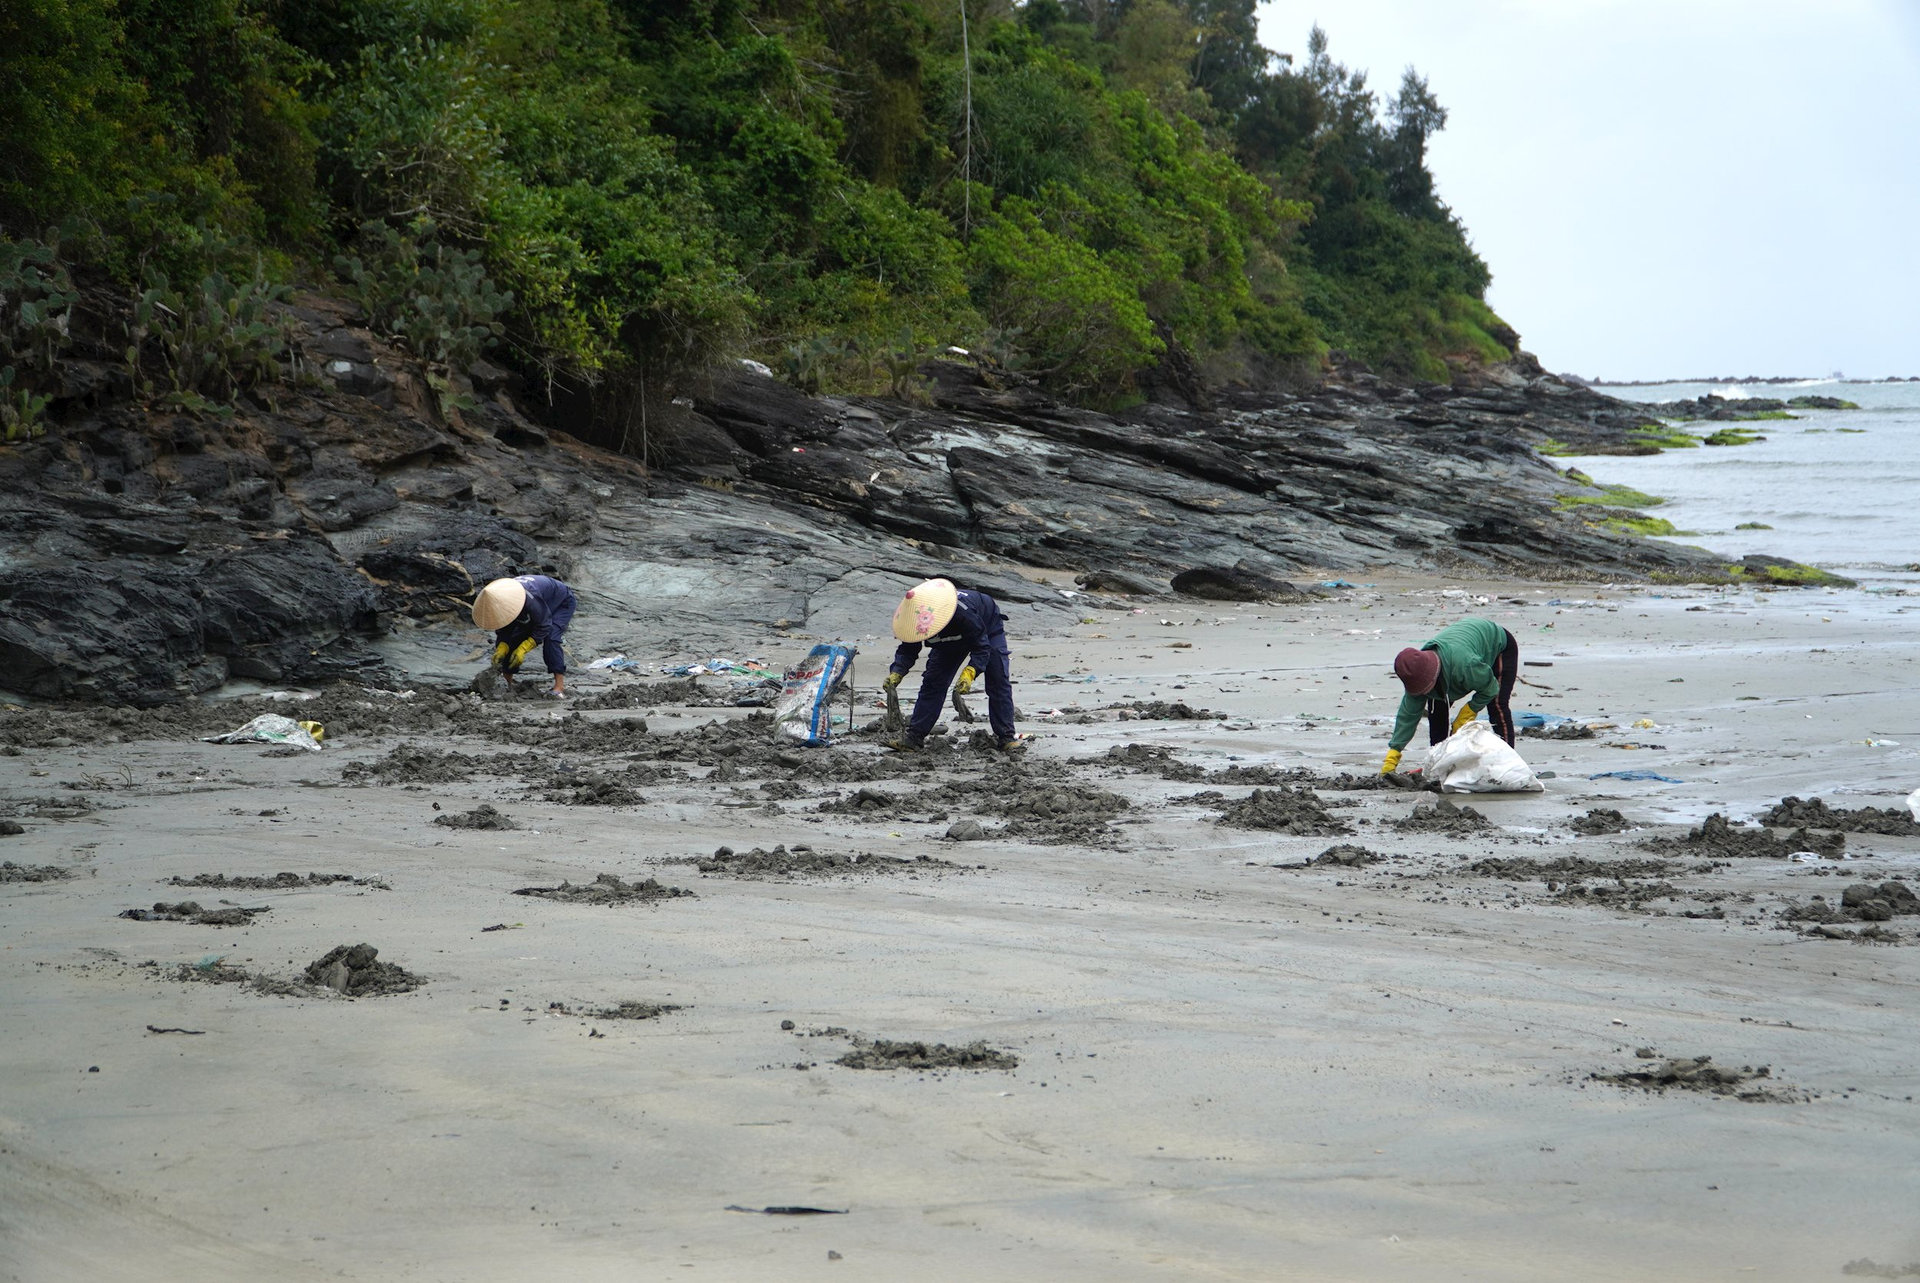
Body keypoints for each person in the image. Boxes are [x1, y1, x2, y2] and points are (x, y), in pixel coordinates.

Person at [883, 577, 1018, 750]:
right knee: (933, 683)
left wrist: (971, 671)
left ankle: (1006, 738)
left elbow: (982, 647)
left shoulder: (962, 612)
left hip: (986, 628)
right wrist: (897, 671)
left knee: (998, 680)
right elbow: (909, 648)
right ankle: (914, 739)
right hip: (948, 642)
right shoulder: (915, 619)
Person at [1380, 616, 1518, 774]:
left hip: (1497, 644)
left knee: (1497, 704)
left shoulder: (1466, 665)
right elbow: (1408, 716)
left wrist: (1469, 711)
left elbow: (1490, 688)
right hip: (1458, 652)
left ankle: (1509, 763)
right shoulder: (1414, 673)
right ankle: (1440, 763)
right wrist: (1394, 753)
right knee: (1436, 708)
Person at [472, 574, 575, 698]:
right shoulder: (502, 599)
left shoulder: (530, 597)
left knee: (551, 637)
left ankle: (559, 687)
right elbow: (505, 626)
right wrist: (502, 646)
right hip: (538, 603)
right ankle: (507, 683)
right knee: (514, 638)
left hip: (560, 602)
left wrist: (525, 647)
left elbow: (544, 625)